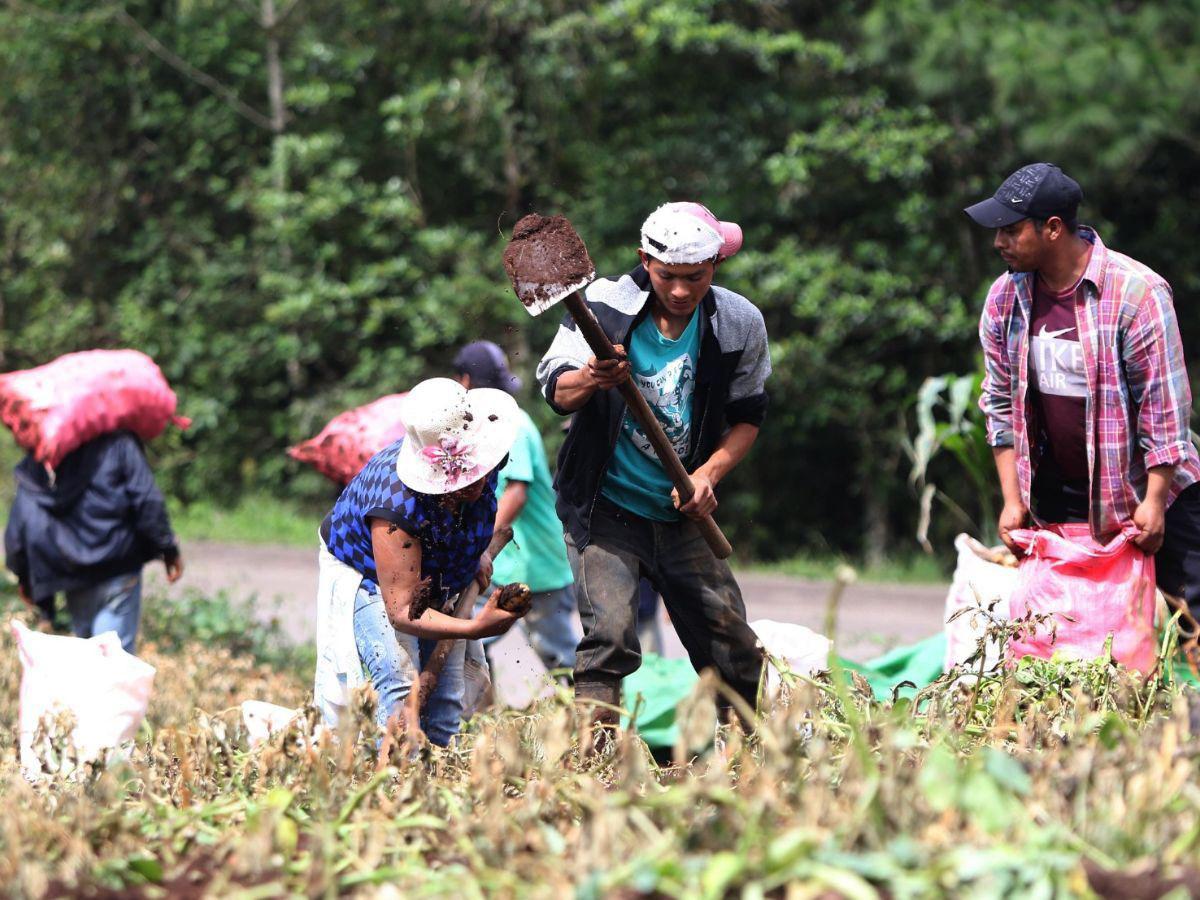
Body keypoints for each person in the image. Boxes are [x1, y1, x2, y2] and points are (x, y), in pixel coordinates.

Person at [536, 201, 770, 727]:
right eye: (668, 276)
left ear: (716, 265)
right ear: (645, 260)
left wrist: (708, 475)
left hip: (681, 514)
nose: (683, 290)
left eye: (697, 276)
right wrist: (594, 376)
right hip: (605, 509)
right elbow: (556, 387)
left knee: (732, 643)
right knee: (611, 637)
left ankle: (751, 765)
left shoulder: (737, 323)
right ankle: (592, 769)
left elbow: (748, 417)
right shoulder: (604, 305)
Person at [969, 162, 1200, 615]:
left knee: (1190, 621)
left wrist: (1154, 502)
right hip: (1070, 495)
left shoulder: (1136, 294)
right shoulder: (1004, 298)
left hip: (1157, 490)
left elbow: (1165, 407)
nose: (999, 242)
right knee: (1078, 630)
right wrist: (1013, 501)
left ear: (1052, 228)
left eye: (1012, 231)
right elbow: (999, 402)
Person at [313, 377, 525, 746]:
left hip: (441, 574)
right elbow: (403, 611)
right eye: (461, 479)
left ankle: (441, 781)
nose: (475, 484)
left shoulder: (486, 451)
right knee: (399, 685)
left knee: (447, 698)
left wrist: (475, 554)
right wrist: (475, 629)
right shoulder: (397, 507)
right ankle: (394, 783)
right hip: (374, 579)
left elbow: (470, 516)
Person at [453, 341, 580, 678]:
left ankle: (590, 724)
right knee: (470, 642)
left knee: (558, 655)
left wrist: (479, 546)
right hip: (505, 564)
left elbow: (516, 491)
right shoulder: (487, 421)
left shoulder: (512, 423)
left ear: (465, 381)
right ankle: (473, 716)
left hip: (534, 564)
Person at [4, 430, 184, 654]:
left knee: (91, 658)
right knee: (113, 664)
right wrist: (168, 548)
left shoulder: (48, 454)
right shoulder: (120, 443)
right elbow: (147, 499)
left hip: (74, 574)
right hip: (119, 566)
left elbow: (21, 525)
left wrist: (26, 578)